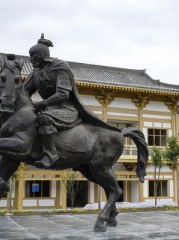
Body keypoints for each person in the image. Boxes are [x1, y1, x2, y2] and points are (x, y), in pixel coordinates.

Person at [24, 34, 118, 168]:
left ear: (41, 55)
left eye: (33, 56)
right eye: (30, 56)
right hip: (48, 109)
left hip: (66, 109)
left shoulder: (60, 66)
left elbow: (63, 94)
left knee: (44, 118)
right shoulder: (35, 72)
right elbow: (24, 92)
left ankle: (51, 154)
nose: (31, 60)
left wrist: (42, 104)